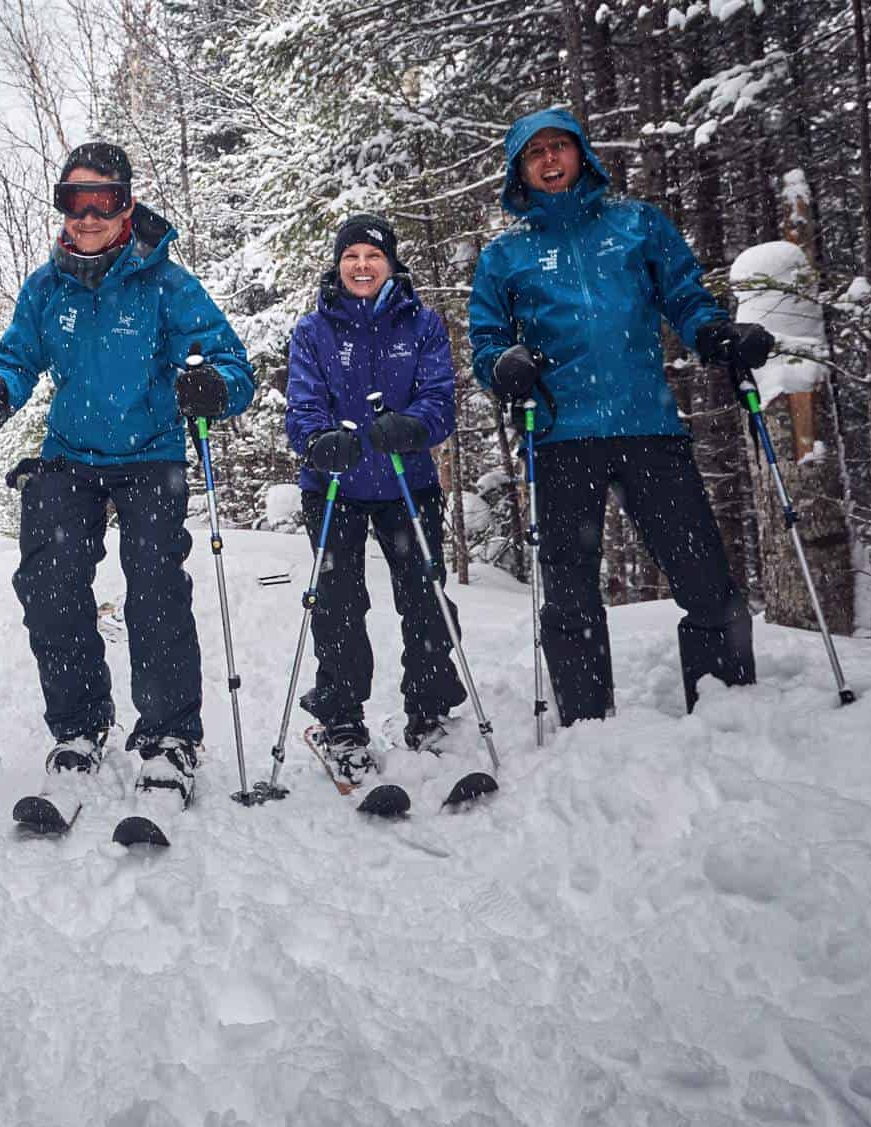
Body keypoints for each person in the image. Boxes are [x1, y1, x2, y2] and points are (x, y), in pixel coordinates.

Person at [0, 142, 255, 804]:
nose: (88, 216)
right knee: (48, 583)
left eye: (105, 201)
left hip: (150, 453)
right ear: (61, 206)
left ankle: (170, 737)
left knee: (154, 589)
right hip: (71, 451)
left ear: (127, 204)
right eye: (74, 201)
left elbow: (233, 364)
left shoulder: (166, 284)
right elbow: (17, 358)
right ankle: (80, 727)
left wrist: (212, 386)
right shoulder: (46, 286)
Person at [467, 107, 770, 724]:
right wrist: (504, 365)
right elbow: (486, 338)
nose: (550, 162)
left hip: (647, 425)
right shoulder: (506, 255)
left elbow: (684, 295)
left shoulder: (637, 225)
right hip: (559, 436)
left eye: (560, 148)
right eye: (535, 154)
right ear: (519, 171)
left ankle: (731, 711)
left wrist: (713, 335)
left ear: (582, 155)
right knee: (570, 590)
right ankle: (586, 722)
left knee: (702, 573)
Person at [284, 215, 465, 778]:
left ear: (391, 263)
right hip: (334, 484)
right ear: (338, 266)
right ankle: (341, 718)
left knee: (424, 595)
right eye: (351, 256)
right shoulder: (315, 329)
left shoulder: (422, 324)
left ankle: (431, 707)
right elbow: (301, 403)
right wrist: (318, 440)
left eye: (373, 255)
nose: (361, 265)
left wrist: (414, 427)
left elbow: (440, 395)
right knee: (338, 602)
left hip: (405, 482)